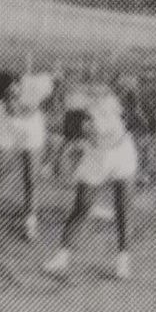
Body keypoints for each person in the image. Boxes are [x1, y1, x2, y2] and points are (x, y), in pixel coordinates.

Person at [44, 85, 136, 281]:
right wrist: (56, 162)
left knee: (123, 208)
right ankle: (62, 257)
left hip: (122, 153)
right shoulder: (77, 119)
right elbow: (68, 143)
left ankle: (123, 260)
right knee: (82, 207)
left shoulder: (110, 103)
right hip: (96, 157)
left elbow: (119, 102)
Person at [0, 69, 52, 242]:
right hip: (5, 125)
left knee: (31, 177)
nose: (11, 94)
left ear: (18, 82)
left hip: (31, 127)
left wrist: (47, 104)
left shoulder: (36, 85)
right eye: (6, 95)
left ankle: (30, 222)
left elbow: (56, 84)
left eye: (13, 90)